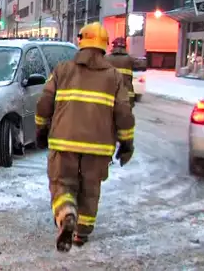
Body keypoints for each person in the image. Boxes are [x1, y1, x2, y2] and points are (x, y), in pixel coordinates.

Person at [35, 22, 135, 253]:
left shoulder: (63, 70)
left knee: (61, 184)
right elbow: (123, 111)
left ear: (81, 43)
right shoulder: (114, 77)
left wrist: (41, 129)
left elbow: (44, 103)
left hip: (64, 143)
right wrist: (127, 142)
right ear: (103, 47)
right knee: (90, 190)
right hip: (99, 148)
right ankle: (81, 233)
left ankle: (66, 213)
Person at [106, 37, 136, 107]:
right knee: (125, 116)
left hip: (110, 93)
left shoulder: (106, 58)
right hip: (127, 94)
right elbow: (141, 64)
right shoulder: (130, 59)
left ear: (114, 46)